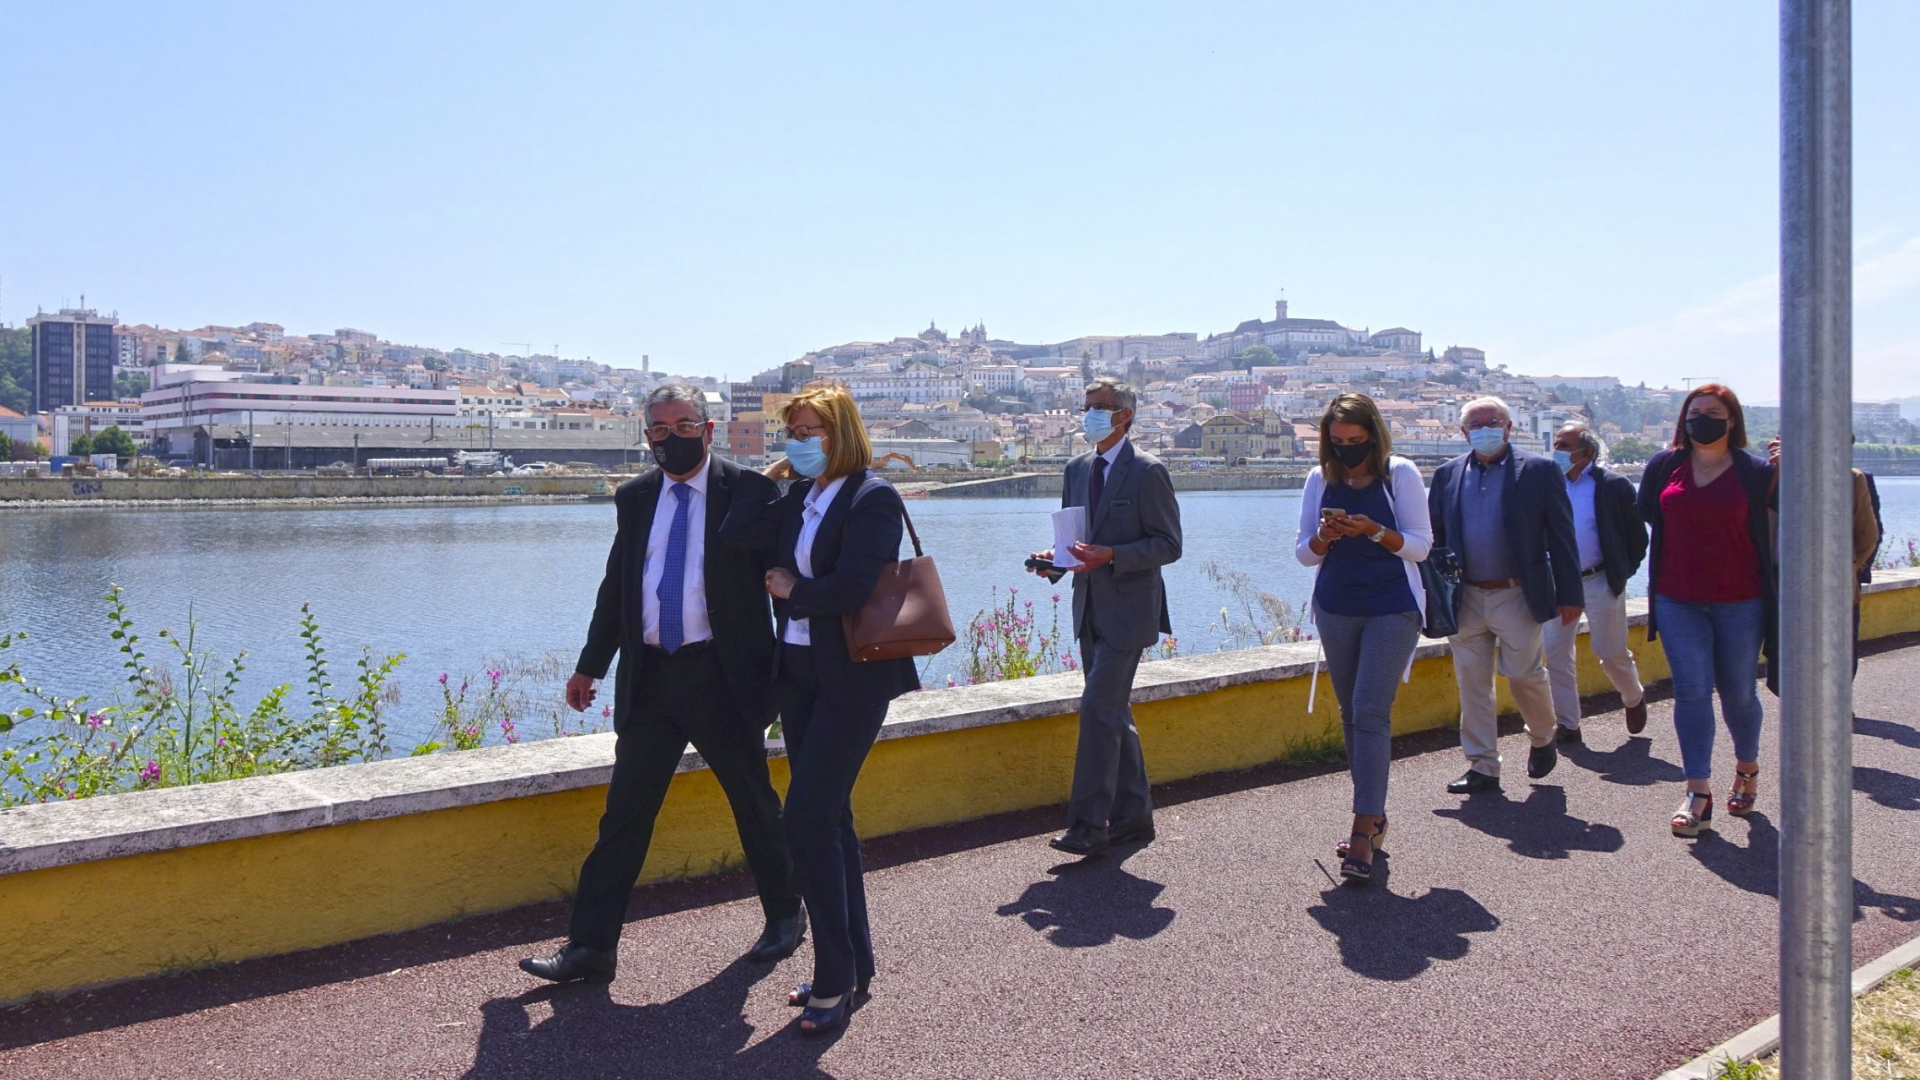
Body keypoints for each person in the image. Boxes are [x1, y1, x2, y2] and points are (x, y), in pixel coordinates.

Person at [519, 384, 802, 985]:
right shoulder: (635, 497)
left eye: (682, 425)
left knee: (753, 805)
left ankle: (785, 916)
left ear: (707, 427)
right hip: (650, 678)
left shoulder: (750, 492)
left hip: (722, 676)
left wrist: (789, 673)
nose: (669, 437)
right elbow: (617, 588)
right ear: (645, 435)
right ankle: (590, 949)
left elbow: (783, 584)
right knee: (624, 816)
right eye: (657, 429)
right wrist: (589, 665)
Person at [760, 384, 919, 1036]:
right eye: (792, 432)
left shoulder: (871, 497)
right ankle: (857, 964)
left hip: (854, 678)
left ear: (841, 433)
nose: (798, 442)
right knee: (831, 819)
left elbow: (855, 587)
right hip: (798, 673)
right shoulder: (798, 495)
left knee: (806, 818)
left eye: (810, 432)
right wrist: (773, 476)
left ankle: (834, 977)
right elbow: (741, 534)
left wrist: (795, 591)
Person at [1028, 376, 1183, 857]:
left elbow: (1169, 545)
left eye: (1100, 407)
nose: (1089, 414)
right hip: (1088, 609)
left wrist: (1111, 554)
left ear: (1125, 415)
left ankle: (1089, 826)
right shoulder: (1076, 469)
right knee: (1113, 712)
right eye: (1087, 406)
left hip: (1130, 613)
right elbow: (1074, 539)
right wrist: (1054, 562)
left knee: (1097, 711)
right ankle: (1134, 820)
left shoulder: (1148, 471)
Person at [1293, 393, 1432, 884]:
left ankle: (1361, 829)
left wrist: (1375, 531)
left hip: (1392, 606)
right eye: (1337, 441)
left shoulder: (1402, 475)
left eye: (1355, 440)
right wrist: (1327, 537)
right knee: (1351, 713)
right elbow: (1304, 554)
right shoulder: (1319, 479)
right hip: (1336, 606)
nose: (1347, 449)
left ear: (1373, 435)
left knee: (1371, 710)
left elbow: (1420, 546)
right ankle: (1373, 814)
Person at [1638, 384, 1776, 837]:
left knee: (1738, 692)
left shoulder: (1756, 472)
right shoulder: (1664, 465)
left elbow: (1801, 512)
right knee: (1691, 691)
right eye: (1694, 412)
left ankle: (1748, 769)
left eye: (1712, 412)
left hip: (1742, 599)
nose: (1702, 419)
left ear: (1732, 420)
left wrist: (1795, 468)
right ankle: (1698, 791)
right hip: (1678, 598)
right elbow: (1649, 516)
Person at [1428, 396, 1583, 795]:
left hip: (1516, 593)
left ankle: (1543, 735)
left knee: (1524, 675)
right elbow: (1436, 539)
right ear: (1463, 433)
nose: (1484, 429)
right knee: (1473, 684)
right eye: (1475, 425)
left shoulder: (1540, 470)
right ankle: (1482, 765)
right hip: (1465, 597)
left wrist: (1570, 593)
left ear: (1509, 427)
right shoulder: (1446, 475)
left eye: (1492, 421)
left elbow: (1562, 535)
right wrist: (1432, 596)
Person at [1541, 421, 1650, 743]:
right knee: (1555, 652)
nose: (1557, 451)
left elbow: (1636, 539)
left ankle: (1633, 697)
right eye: (1557, 444)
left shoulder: (1613, 486)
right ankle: (1569, 724)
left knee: (1610, 651)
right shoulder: (1549, 484)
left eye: (1564, 445)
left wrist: (1620, 574)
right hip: (1560, 582)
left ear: (1585, 452)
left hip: (1600, 580)